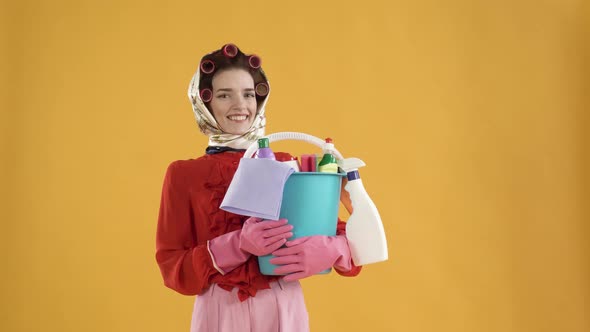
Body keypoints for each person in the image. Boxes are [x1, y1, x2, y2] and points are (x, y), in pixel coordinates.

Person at [155, 43, 362, 332]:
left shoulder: (287, 164)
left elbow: (349, 238)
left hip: (283, 308)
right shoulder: (183, 175)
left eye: (248, 94)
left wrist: (332, 249)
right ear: (205, 103)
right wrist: (236, 244)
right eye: (225, 95)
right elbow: (173, 268)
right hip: (219, 314)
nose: (241, 106)